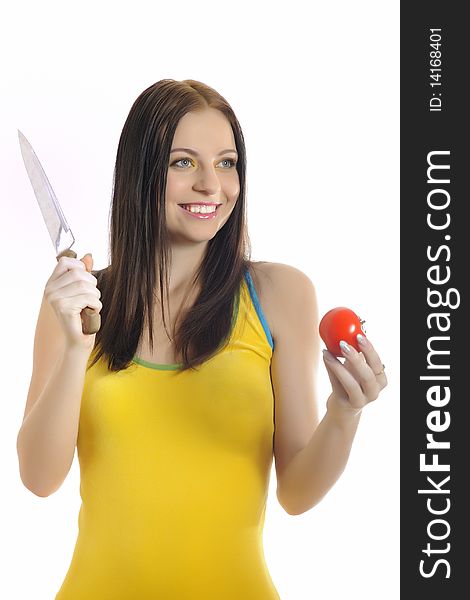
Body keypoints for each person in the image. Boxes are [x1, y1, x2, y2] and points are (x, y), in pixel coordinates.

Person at [16, 79, 388, 599]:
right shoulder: (78, 301)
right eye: (183, 162)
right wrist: (76, 348)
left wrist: (345, 412)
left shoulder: (280, 294)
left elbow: (297, 492)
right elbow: (38, 477)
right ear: (141, 174)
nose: (213, 185)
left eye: (227, 162)